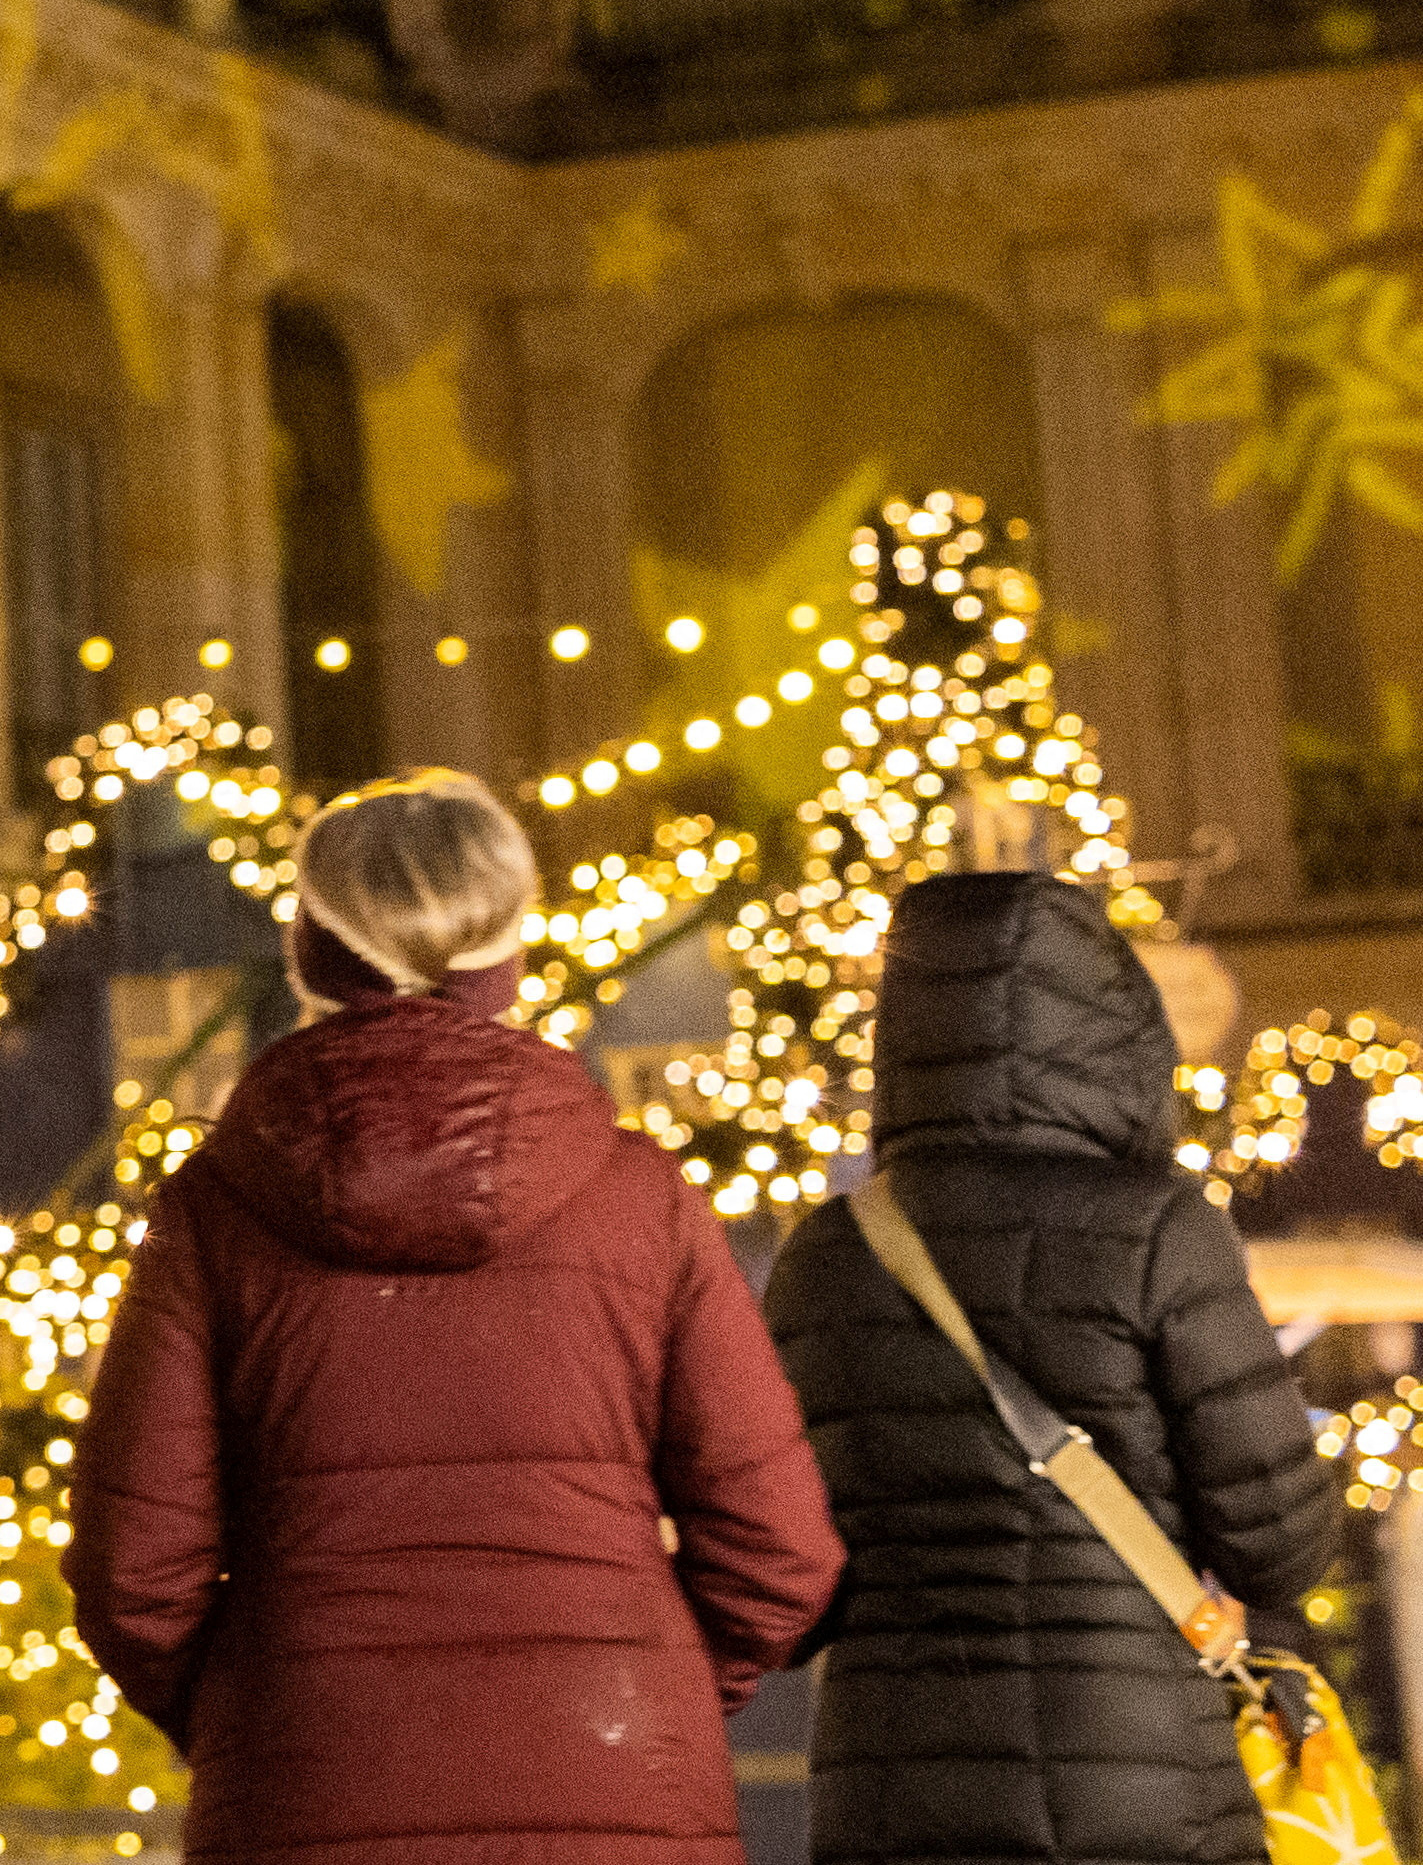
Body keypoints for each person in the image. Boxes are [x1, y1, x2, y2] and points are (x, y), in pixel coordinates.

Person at [66, 770, 838, 1860]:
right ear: (507, 956)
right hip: (618, 1782)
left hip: (306, 1790)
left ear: (308, 949)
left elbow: (133, 1571)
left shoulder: (213, 1210)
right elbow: (781, 1549)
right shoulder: (642, 1199)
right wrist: (650, 1686)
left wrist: (259, 1711)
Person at [767, 867, 1340, 1865]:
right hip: (1142, 1782)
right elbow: (1279, 1549)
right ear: (1113, 1031)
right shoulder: (1159, 1230)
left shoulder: (826, 1253)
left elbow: (787, 1574)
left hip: (893, 1792)